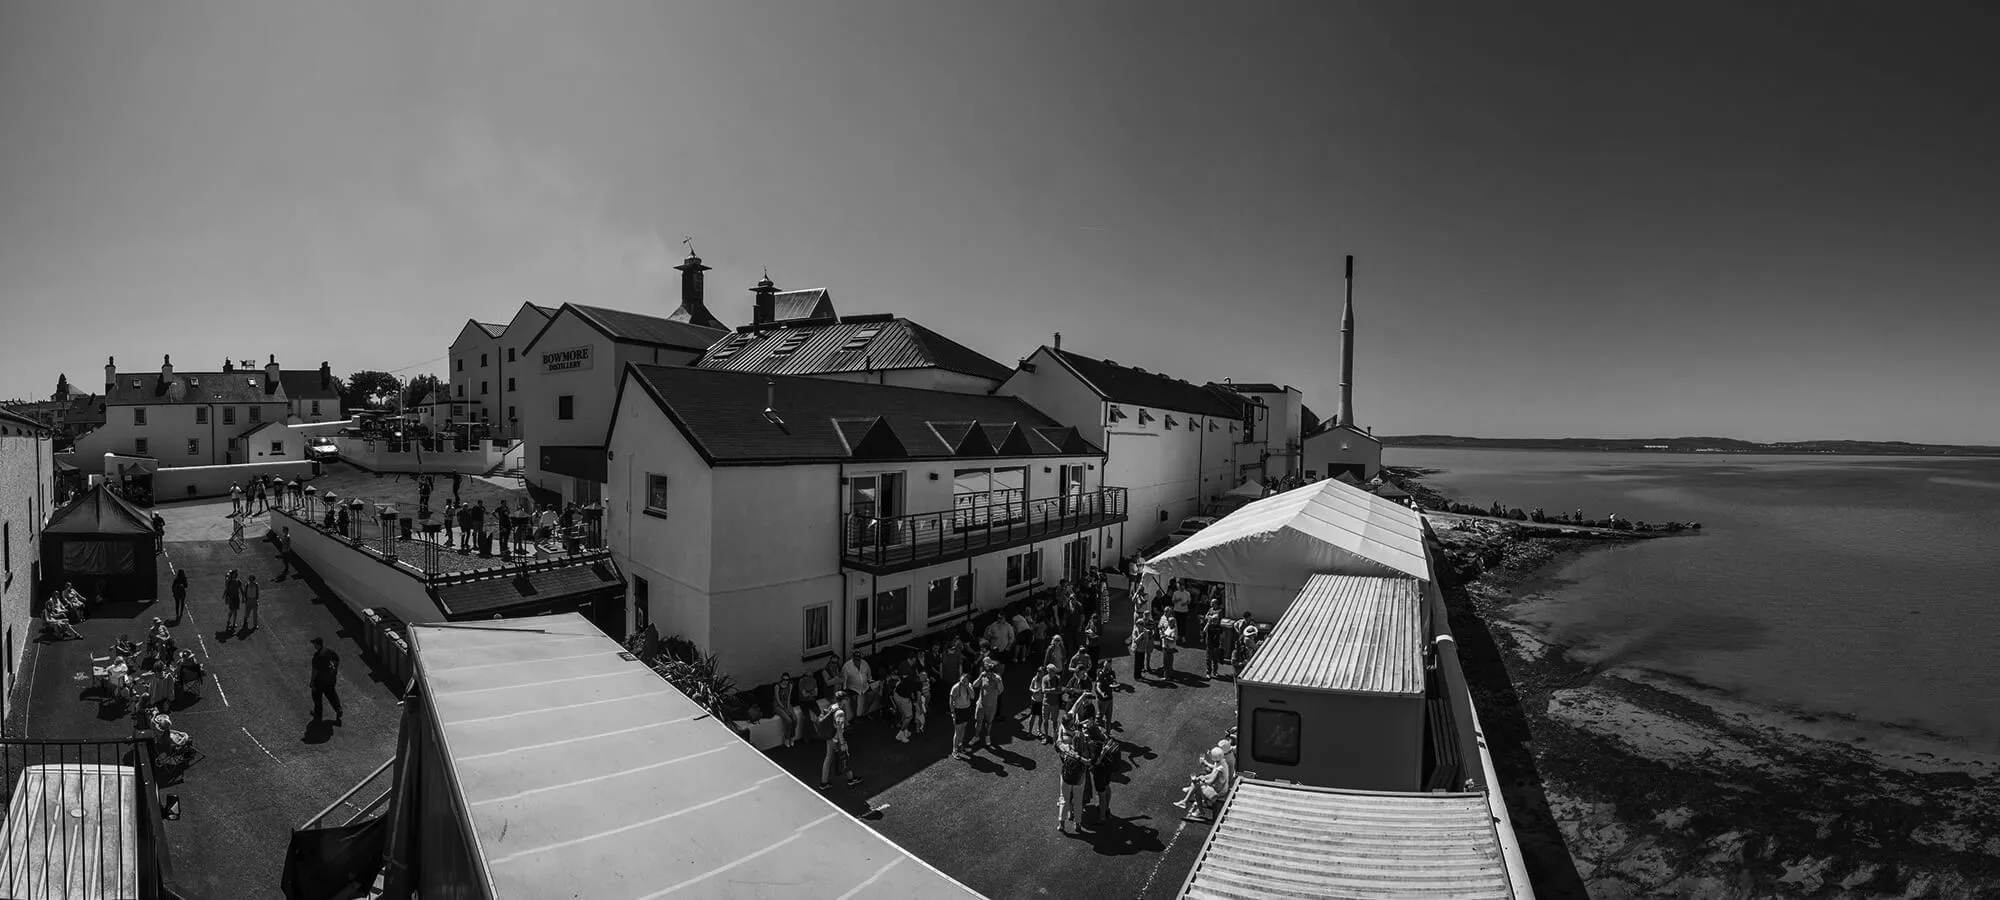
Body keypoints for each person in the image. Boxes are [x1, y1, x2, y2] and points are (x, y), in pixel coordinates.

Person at [818, 691, 861, 789]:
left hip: (829, 737)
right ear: (844, 700)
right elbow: (839, 729)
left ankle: (823, 783)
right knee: (845, 757)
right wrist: (841, 743)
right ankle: (851, 779)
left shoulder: (832, 707)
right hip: (835, 739)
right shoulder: (840, 712)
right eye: (846, 699)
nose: (848, 700)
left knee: (828, 758)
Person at [310, 637, 343, 724]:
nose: (314, 645)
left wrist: (312, 681)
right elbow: (337, 659)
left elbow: (315, 671)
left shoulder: (316, 657)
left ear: (318, 645)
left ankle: (318, 713)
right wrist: (335, 670)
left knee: (316, 696)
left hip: (320, 681)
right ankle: (338, 709)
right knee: (332, 694)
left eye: (315, 644)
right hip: (331, 679)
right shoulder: (328, 651)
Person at [972, 661, 1003, 749]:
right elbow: (974, 685)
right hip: (981, 704)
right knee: (978, 722)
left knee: (989, 722)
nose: (988, 675)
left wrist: (998, 682)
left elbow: (1001, 691)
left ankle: (987, 736)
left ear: (993, 672)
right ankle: (976, 736)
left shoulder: (998, 678)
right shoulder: (983, 676)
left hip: (992, 706)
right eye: (986, 673)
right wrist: (980, 677)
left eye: (989, 673)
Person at [949, 670, 977, 759]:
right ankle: (954, 750)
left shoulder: (969, 686)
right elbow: (950, 701)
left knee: (964, 727)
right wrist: (953, 713)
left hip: (966, 709)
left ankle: (960, 745)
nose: (963, 682)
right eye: (962, 680)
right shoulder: (956, 688)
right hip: (958, 710)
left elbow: (972, 697)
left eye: (965, 680)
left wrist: (968, 687)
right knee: (957, 731)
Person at [1028, 664, 1058, 742]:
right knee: (1032, 717)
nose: (1039, 673)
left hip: (1042, 701)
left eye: (1041, 672)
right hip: (1034, 700)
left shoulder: (1045, 679)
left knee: (1041, 717)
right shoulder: (1035, 679)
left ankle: (1039, 730)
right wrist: (1034, 691)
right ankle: (1029, 732)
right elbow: (1030, 687)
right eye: (1038, 672)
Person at [773, 672, 798, 749]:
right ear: (781, 679)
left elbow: (789, 698)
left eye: (787, 680)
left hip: (786, 704)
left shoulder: (790, 686)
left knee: (795, 719)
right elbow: (777, 700)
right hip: (778, 705)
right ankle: (787, 738)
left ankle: (792, 736)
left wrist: (788, 707)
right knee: (788, 720)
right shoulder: (777, 686)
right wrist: (784, 709)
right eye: (783, 679)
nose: (785, 681)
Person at [1157, 611, 1179, 676]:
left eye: (1170, 622)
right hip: (1165, 646)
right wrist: (1163, 633)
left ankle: (1168, 675)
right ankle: (1167, 675)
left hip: (1169, 647)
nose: (1168, 623)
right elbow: (1162, 630)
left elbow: (1173, 639)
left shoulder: (1173, 630)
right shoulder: (1169, 627)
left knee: (1168, 661)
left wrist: (1165, 637)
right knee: (1166, 661)